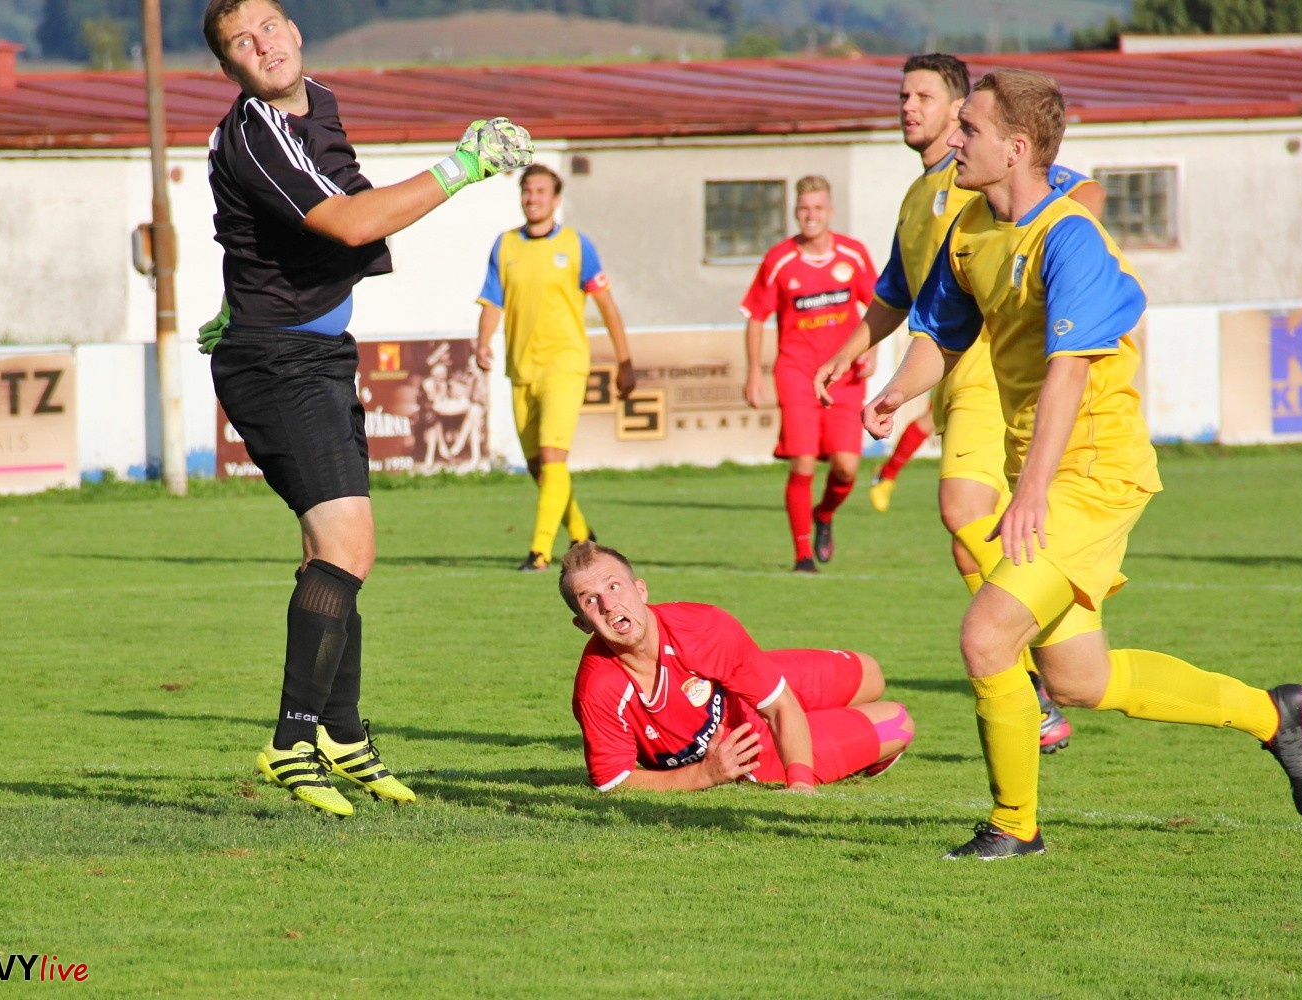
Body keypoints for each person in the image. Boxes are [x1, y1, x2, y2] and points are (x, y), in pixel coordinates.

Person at [859, 68, 1302, 858]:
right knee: (1079, 680)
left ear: (1017, 148)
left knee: (987, 637)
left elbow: (1068, 372)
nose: (955, 140)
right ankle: (1272, 714)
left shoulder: (1070, 238)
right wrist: (897, 391)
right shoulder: (970, 227)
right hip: (1044, 470)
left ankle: (1014, 827)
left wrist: (1031, 491)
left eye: (970, 128)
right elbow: (941, 332)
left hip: (1096, 474)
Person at [200, 0, 533, 816]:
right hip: (277, 362)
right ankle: (292, 742)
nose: (262, 44)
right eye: (242, 41)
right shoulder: (254, 131)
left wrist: (238, 295)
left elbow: (328, 205)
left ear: (294, 30)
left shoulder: (318, 101)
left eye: (269, 25)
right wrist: (462, 166)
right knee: (347, 547)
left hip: (311, 351)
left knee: (334, 552)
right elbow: (349, 223)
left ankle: (341, 734)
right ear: (228, 66)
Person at [816, 54, 1104, 754]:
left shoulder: (983, 177)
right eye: (902, 95)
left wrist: (1049, 268)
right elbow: (895, 293)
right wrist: (850, 349)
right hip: (945, 376)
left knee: (961, 510)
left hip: (984, 369)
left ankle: (1032, 658)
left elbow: (1083, 194)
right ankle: (1040, 651)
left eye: (924, 96)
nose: (908, 106)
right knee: (968, 537)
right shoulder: (918, 199)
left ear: (956, 112)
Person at [561, 542, 914, 793]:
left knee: (871, 673)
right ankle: (861, 751)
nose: (609, 604)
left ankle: (828, 723)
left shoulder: (703, 627)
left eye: (615, 586)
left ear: (641, 590)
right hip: (751, 749)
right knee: (898, 721)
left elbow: (778, 705)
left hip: (748, 686)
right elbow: (613, 781)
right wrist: (706, 774)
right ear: (583, 624)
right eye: (590, 600)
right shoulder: (598, 686)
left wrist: (801, 784)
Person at [475, 165, 636, 572]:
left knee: (552, 456)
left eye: (541, 191)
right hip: (521, 367)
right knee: (538, 467)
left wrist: (625, 361)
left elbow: (607, 306)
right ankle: (580, 532)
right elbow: (492, 300)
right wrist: (482, 342)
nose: (532, 198)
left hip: (565, 363)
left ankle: (540, 553)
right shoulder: (505, 245)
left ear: (556, 199)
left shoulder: (577, 246)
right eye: (527, 190)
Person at [741, 176, 878, 572]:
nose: (810, 215)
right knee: (802, 463)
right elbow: (755, 316)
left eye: (818, 208)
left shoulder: (853, 254)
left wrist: (870, 349)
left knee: (846, 467)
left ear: (830, 212)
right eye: (804, 208)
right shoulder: (779, 260)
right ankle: (802, 556)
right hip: (797, 373)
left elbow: (879, 305)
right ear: (795, 212)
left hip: (843, 375)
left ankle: (825, 513)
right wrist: (754, 373)